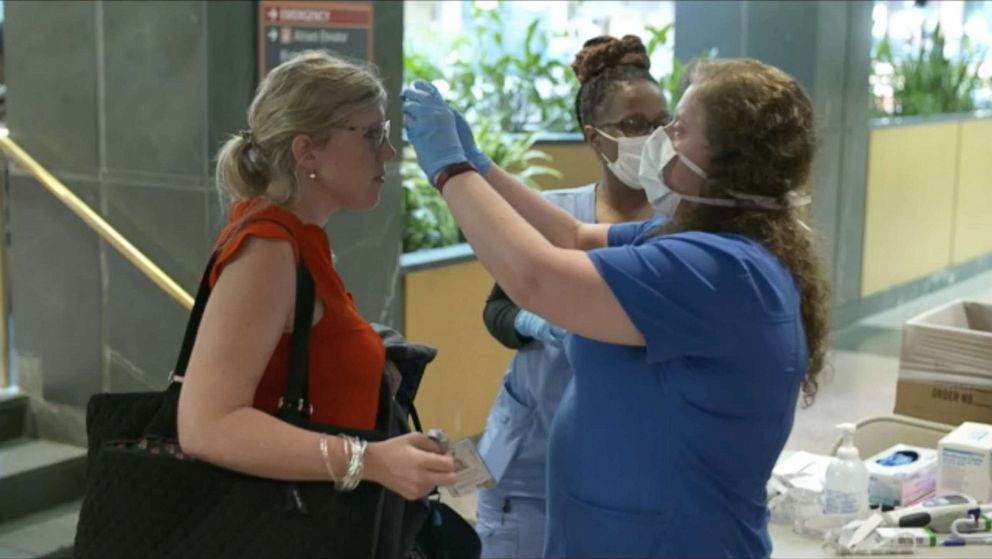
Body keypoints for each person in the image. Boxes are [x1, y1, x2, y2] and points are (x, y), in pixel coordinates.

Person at [402, 57, 829, 558]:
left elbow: (538, 277)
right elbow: (572, 235)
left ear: (729, 159)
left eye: (679, 127)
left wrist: (449, 170)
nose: (660, 138)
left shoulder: (717, 269)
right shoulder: (699, 238)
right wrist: (481, 167)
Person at [176, 50, 456, 534]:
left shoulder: (298, 239)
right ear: (307, 151)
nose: (388, 152)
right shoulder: (267, 248)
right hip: (285, 527)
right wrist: (368, 461)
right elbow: (207, 425)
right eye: (372, 134)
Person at [475, 35, 663, 559]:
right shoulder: (554, 214)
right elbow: (497, 309)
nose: (651, 136)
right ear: (594, 136)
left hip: (628, 468)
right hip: (529, 462)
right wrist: (534, 323)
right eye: (632, 125)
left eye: (661, 123)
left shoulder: (682, 230)